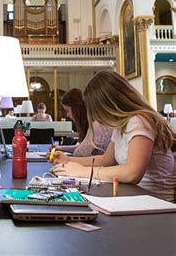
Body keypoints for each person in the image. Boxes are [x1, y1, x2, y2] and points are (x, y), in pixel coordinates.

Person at [53, 71, 175, 202]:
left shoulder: (139, 120)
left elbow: (132, 173)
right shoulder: (121, 124)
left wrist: (82, 171)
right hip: (135, 196)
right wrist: (69, 161)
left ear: (109, 104)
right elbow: (106, 159)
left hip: (156, 202)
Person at [61, 88, 112, 156]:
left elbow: (80, 153)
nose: (67, 115)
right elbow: (84, 147)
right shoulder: (93, 122)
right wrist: (61, 148)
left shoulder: (98, 124)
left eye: (67, 111)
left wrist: (65, 157)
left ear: (77, 108)